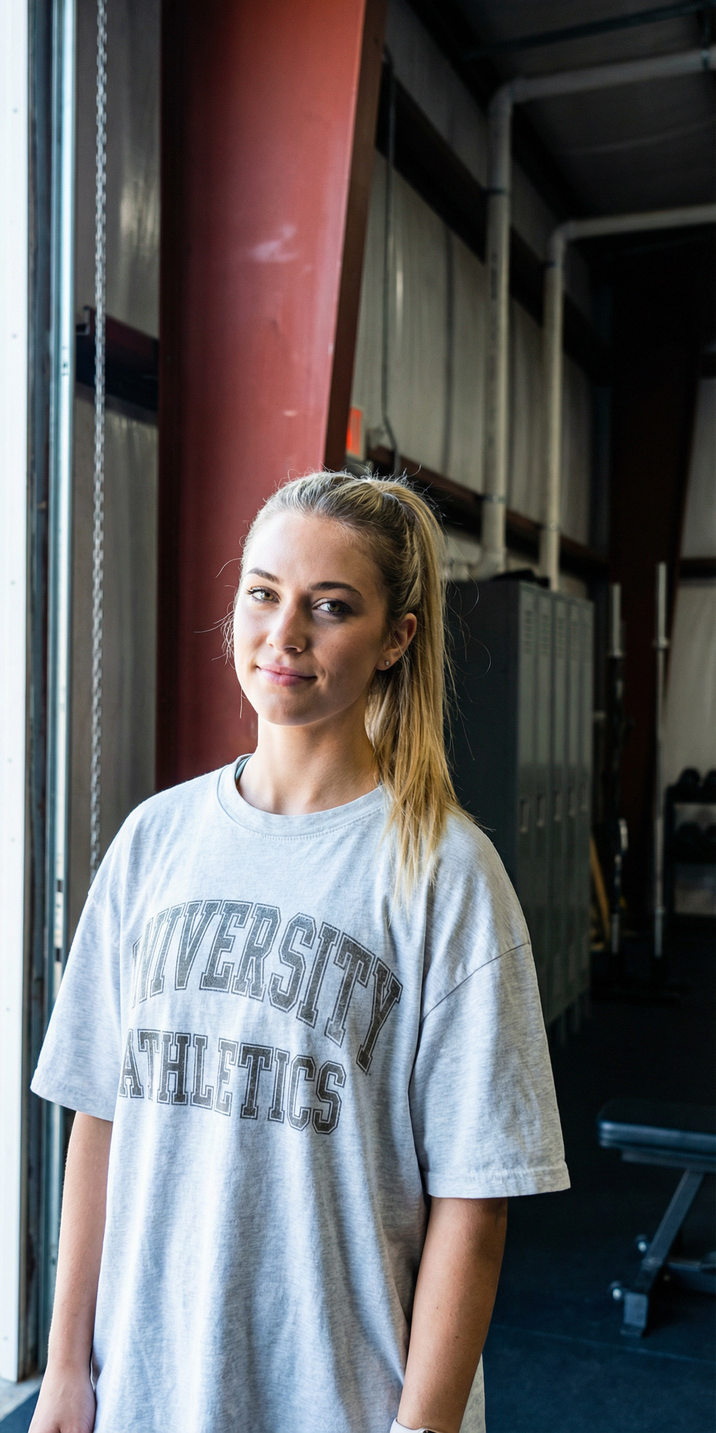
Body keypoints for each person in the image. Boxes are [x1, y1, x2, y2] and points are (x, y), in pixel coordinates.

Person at [30, 471, 569, 1433]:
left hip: (347, 1401)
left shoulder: (446, 874)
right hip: (148, 1388)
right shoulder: (154, 841)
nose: (285, 634)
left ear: (396, 638)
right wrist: (67, 1368)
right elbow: (98, 1121)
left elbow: (474, 1202)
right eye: (263, 592)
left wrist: (426, 1424)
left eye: (331, 607)